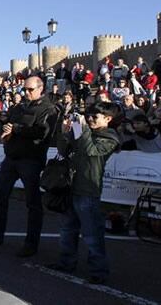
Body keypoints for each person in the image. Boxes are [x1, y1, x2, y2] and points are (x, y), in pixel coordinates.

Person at [0, 76, 58, 257]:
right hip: (12, 156)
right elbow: (8, 125)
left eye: (30, 90)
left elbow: (43, 133)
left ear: (40, 88)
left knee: (32, 202)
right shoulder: (19, 107)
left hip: (31, 159)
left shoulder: (48, 109)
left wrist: (16, 129)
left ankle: (31, 243)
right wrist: (7, 133)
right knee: (0, 194)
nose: (27, 93)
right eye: (25, 90)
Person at [48, 102, 121, 284]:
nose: (89, 119)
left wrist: (83, 129)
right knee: (67, 230)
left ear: (108, 119)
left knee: (92, 234)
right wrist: (65, 133)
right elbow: (63, 150)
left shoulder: (110, 137)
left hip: (88, 191)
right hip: (69, 187)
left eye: (94, 116)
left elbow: (90, 151)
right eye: (88, 115)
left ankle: (98, 271)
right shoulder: (82, 131)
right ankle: (66, 262)